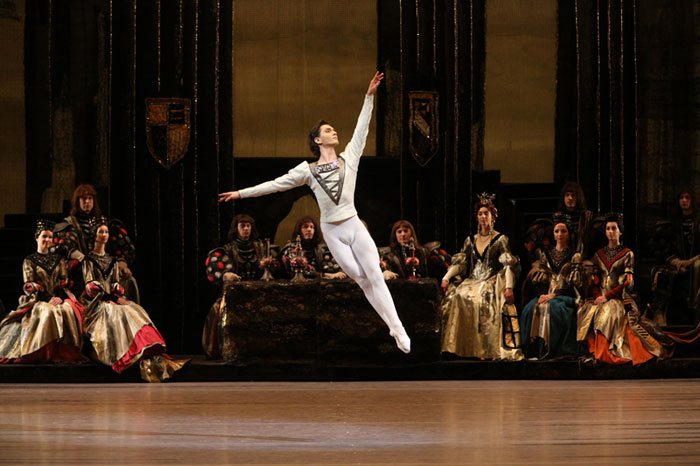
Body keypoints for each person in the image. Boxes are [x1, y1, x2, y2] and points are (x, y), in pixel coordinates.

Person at [218, 72, 411, 353]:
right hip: (333, 231)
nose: (334, 132)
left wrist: (369, 97)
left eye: (334, 130)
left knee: (374, 275)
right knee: (361, 278)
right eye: (328, 130)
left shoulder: (350, 158)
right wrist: (240, 193)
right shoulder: (307, 171)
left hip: (355, 226)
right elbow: (275, 185)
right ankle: (393, 325)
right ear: (317, 141)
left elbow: (362, 129)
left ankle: (397, 329)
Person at [81, 217, 186, 381]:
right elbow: (90, 286)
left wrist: (116, 294)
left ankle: (147, 346)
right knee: (114, 313)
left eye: (106, 232)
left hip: (112, 299)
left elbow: (115, 283)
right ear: (94, 235)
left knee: (132, 309)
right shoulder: (88, 260)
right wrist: (109, 298)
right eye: (101, 231)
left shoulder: (112, 260)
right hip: (97, 302)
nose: (104, 234)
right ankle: (126, 354)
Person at [577, 213, 674, 364]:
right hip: (600, 298)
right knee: (584, 311)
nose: (610, 231)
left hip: (619, 298)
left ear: (620, 231)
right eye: (608, 228)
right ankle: (591, 351)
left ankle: (605, 352)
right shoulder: (598, 255)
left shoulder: (627, 254)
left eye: (614, 228)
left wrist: (607, 297)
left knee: (608, 312)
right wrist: (597, 297)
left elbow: (627, 282)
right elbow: (595, 281)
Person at [440, 194, 523, 360]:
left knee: (481, 299)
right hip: (473, 279)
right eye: (480, 214)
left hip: (491, 279)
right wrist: (446, 278)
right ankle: (461, 348)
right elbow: (461, 263)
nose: (483, 217)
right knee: (458, 295)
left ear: (493, 216)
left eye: (486, 213)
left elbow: (507, 264)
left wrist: (508, 287)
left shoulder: (500, 239)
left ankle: (484, 349)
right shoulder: (471, 240)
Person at [0, 220, 84, 363]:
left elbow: (64, 282)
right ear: (37, 238)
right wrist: (47, 299)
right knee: (47, 311)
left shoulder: (59, 260)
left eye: (50, 237)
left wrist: (58, 298)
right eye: (44, 236)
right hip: (37, 299)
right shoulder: (30, 260)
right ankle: (42, 353)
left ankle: (63, 353)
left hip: (57, 297)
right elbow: (29, 284)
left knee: (68, 310)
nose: (47, 240)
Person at [202, 214, 280, 360]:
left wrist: (268, 265)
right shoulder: (228, 249)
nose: (245, 229)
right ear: (236, 229)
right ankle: (226, 351)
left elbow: (276, 267)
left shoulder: (261, 247)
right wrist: (226, 275)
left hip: (259, 293)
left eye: (248, 226)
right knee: (218, 309)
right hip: (236, 295)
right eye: (242, 226)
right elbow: (216, 268)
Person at [53, 184, 138, 302]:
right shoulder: (70, 223)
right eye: (83, 199)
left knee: (129, 280)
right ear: (77, 202)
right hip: (80, 270)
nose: (87, 202)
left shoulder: (103, 222)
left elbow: (123, 246)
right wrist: (83, 259)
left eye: (90, 198)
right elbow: (63, 246)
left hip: (104, 266)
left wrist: (122, 263)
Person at [519, 215, 582, 359]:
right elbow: (541, 279)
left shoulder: (575, 255)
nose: (560, 234)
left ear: (568, 234)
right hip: (547, 293)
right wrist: (542, 294)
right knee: (530, 308)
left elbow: (573, 282)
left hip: (566, 295)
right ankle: (534, 349)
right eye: (557, 231)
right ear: (553, 234)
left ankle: (552, 350)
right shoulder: (546, 255)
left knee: (554, 309)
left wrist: (555, 294)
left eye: (563, 231)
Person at [649, 188, 700, 325]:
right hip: (677, 266)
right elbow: (660, 247)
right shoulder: (672, 222)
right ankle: (662, 315)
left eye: (687, 198)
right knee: (661, 275)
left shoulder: (698, 222)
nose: (684, 200)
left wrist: (690, 262)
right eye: (681, 198)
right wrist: (677, 262)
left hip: (696, 264)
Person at [279, 215, 346, 280]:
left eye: (312, 227)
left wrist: (340, 271)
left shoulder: (319, 248)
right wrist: (326, 275)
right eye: (305, 227)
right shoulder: (289, 249)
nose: (309, 229)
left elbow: (331, 265)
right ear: (299, 230)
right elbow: (303, 270)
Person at [380, 220, 447, 280]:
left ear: (411, 233)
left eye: (405, 231)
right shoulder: (390, 257)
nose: (403, 234)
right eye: (399, 232)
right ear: (395, 236)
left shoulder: (423, 252)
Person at [554, 181, 593, 257]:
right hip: (561, 258)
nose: (570, 198)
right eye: (567, 195)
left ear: (578, 197)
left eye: (573, 195)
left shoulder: (586, 217)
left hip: (584, 257)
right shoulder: (557, 217)